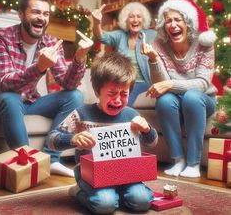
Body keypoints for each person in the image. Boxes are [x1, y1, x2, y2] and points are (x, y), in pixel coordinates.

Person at [0, 0, 93, 177]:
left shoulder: (50, 42)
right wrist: (38, 67)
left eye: (45, 14)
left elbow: (68, 83)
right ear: (21, 14)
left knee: (75, 96)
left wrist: (80, 59)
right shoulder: (1, 38)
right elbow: (3, 83)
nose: (41, 17)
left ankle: (53, 159)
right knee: (10, 99)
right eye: (35, 12)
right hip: (1, 101)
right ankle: (25, 166)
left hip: (30, 102)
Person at [46, 52, 158, 214]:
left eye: (124, 94)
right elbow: (51, 140)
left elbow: (152, 142)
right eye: (112, 94)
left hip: (126, 172)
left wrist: (147, 129)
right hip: (91, 174)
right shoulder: (81, 114)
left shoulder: (132, 115)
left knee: (142, 201)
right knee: (105, 204)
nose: (118, 100)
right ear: (98, 91)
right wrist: (73, 139)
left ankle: (119, 193)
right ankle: (78, 191)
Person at [141, 0, 217, 178]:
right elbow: (161, 84)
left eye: (177, 19)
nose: (172, 25)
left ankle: (193, 163)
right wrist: (153, 59)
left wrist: (170, 84)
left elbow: (202, 83)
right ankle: (178, 160)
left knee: (191, 96)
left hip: (203, 99)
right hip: (174, 97)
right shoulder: (158, 44)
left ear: (188, 22)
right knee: (165, 100)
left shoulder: (204, 43)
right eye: (168, 21)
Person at [91, 2, 156, 106]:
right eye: (131, 17)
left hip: (144, 82)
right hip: (123, 81)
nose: (135, 20)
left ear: (143, 20)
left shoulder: (151, 35)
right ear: (126, 20)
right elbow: (101, 36)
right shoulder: (120, 35)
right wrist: (96, 22)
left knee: (122, 99)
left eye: (139, 16)